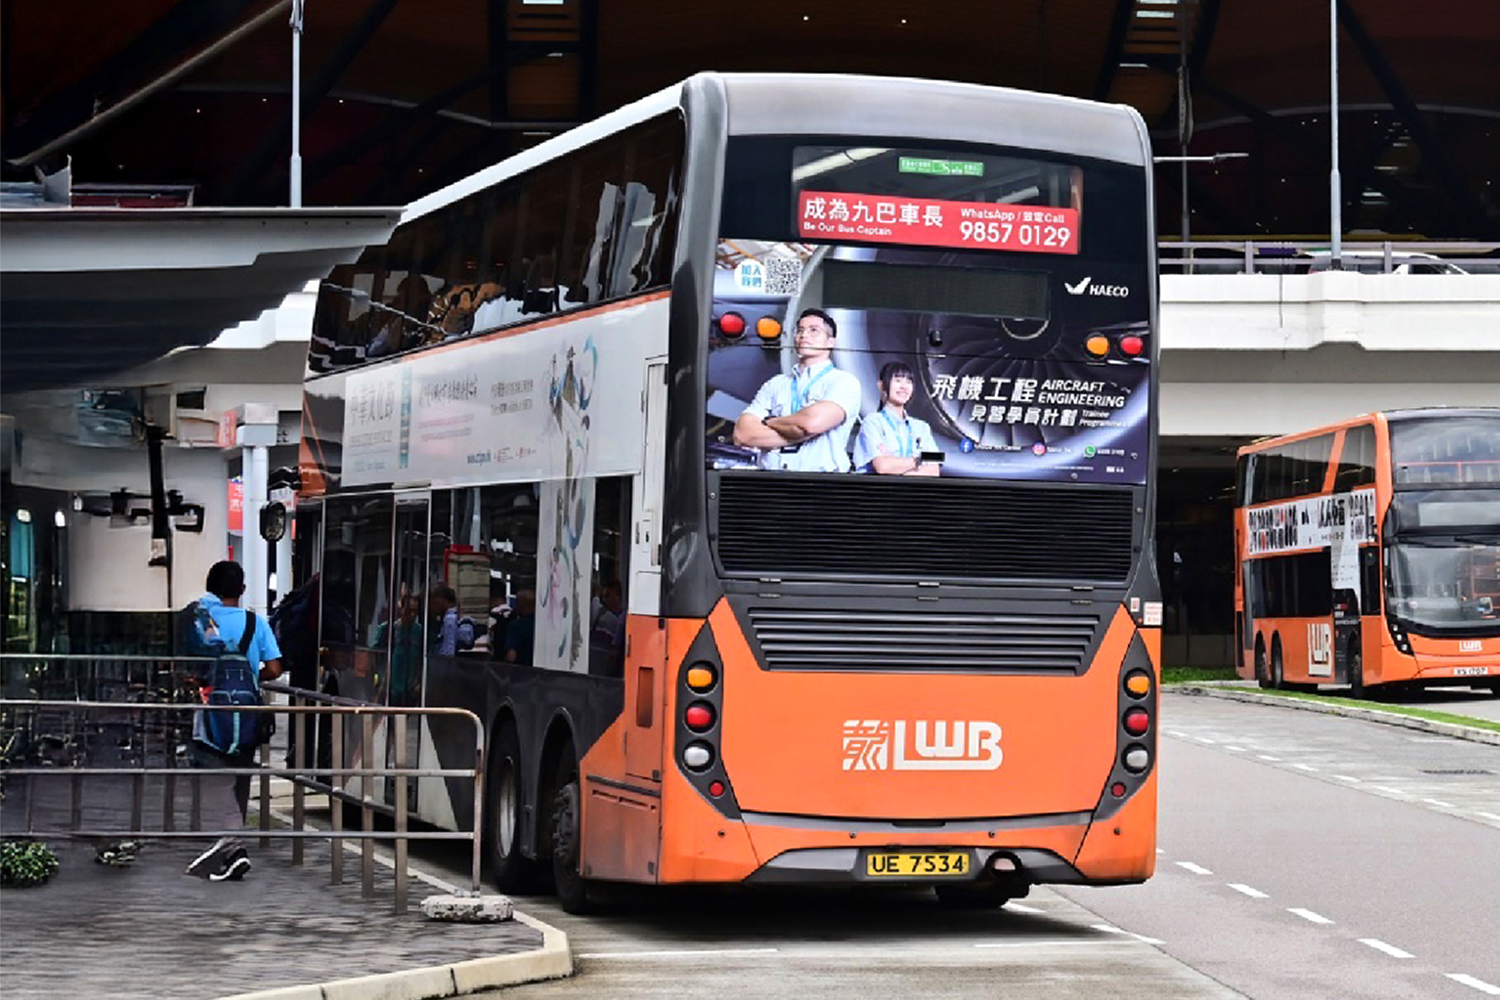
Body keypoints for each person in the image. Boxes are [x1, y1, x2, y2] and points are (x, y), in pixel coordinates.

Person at [185, 560, 283, 882]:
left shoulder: (204, 620)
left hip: (213, 711)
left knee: (219, 780)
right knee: (240, 778)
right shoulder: (255, 622)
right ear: (242, 589)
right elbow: (275, 669)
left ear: (210, 587)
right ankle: (232, 849)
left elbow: (192, 665)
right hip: (248, 711)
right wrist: (250, 675)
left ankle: (235, 849)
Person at [732, 308, 862, 472]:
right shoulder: (775, 384)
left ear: (831, 342)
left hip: (820, 480)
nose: (804, 335)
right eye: (800, 330)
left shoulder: (843, 382)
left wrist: (769, 421)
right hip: (770, 479)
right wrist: (797, 431)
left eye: (813, 330)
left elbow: (810, 425)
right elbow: (742, 435)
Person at [853, 361, 941, 476]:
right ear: (882, 385)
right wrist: (919, 461)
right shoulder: (872, 422)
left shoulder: (922, 427)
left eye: (908, 382)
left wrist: (901, 474)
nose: (904, 386)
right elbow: (882, 466)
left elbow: (934, 470)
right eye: (898, 380)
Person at [431, 586, 474, 657]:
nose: (433, 607)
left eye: (436, 603)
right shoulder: (456, 617)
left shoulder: (449, 619)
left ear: (443, 601)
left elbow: (449, 648)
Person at [503, 588, 537, 665]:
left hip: (522, 669)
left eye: (517, 603)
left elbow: (511, 656)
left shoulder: (516, 626)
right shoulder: (544, 625)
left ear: (522, 605)